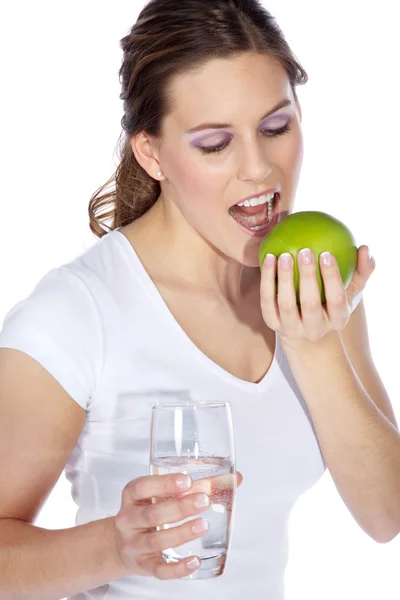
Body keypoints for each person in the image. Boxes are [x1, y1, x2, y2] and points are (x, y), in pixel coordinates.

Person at [0, 0, 399, 598]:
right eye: (215, 143)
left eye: (276, 127)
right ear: (151, 153)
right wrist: (114, 545)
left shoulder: (313, 288)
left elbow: (385, 517)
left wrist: (312, 346)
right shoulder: (77, 314)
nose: (259, 170)